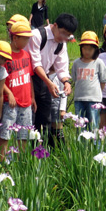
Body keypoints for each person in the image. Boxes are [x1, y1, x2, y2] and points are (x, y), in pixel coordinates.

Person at [25, 13, 77, 145]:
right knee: (29, 117)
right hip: (28, 79)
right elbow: (35, 64)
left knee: (45, 118)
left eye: (68, 35)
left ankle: (42, 151)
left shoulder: (61, 44)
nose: (64, 38)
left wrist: (66, 82)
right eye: (63, 33)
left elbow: (62, 67)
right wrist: (49, 83)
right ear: (55, 26)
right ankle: (28, 150)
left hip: (44, 79)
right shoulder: (37, 35)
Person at [0, 21, 35, 160]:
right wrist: (9, 93)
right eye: (24, 38)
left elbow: (29, 77)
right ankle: (2, 162)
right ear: (15, 38)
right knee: (5, 133)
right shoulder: (5, 55)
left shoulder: (26, 54)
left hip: (26, 102)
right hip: (10, 102)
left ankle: (20, 162)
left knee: (24, 134)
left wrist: (32, 97)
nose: (27, 41)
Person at [71, 31, 106, 131]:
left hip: (93, 99)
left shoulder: (98, 62)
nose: (87, 51)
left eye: (90, 49)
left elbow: (103, 80)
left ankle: (95, 145)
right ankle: (81, 144)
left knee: (93, 123)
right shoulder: (76, 63)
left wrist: (98, 93)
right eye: (84, 48)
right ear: (81, 48)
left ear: (95, 49)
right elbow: (74, 78)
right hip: (79, 98)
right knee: (80, 124)